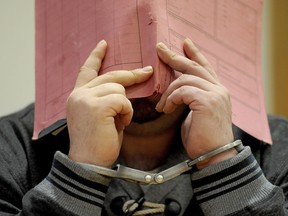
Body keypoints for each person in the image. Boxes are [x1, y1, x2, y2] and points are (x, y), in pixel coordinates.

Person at [0, 38, 288, 216]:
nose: (145, 60)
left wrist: (222, 160)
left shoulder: (278, 144)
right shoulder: (11, 143)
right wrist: (80, 171)